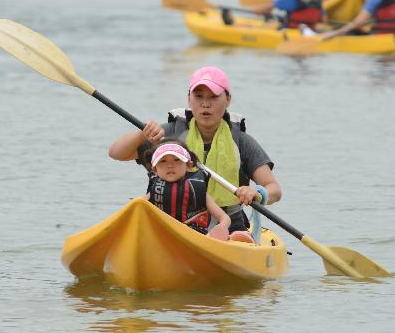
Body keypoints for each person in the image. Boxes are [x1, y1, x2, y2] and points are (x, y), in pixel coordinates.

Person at [108, 66, 281, 237]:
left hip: (228, 224)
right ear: (189, 99)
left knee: (233, 233)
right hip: (171, 221)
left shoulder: (241, 142)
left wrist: (257, 193)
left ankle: (235, 239)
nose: (206, 104)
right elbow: (116, 153)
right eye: (198, 97)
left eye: (214, 97)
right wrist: (141, 133)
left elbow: (274, 190)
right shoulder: (169, 134)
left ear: (228, 99)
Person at [144, 140, 232, 238]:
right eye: (163, 161)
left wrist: (222, 226)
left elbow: (225, 218)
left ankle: (235, 237)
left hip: (194, 236)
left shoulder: (196, 188)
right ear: (155, 170)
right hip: (163, 235)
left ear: (188, 166)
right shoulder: (153, 192)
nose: (170, 166)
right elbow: (136, 209)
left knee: (220, 235)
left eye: (177, 160)